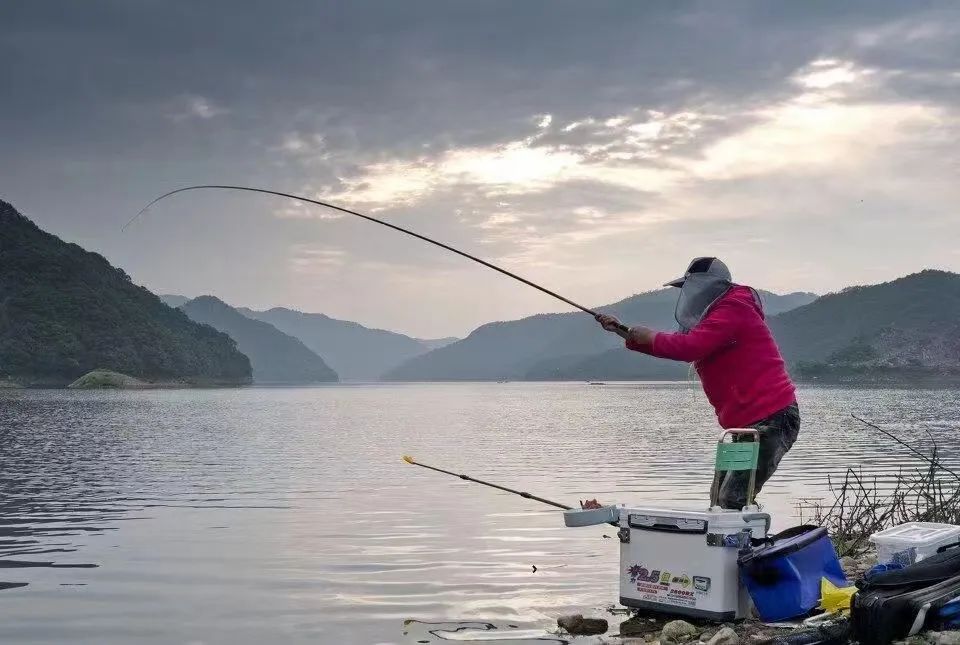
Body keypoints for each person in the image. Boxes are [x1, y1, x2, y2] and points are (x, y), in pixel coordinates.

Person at [595, 257, 799, 510]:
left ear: (710, 288)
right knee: (719, 503)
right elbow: (681, 342)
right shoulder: (714, 316)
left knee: (732, 500)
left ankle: (748, 545)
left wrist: (647, 337)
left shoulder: (734, 308)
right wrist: (623, 331)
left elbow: (690, 347)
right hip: (743, 428)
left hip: (771, 419)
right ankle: (738, 545)